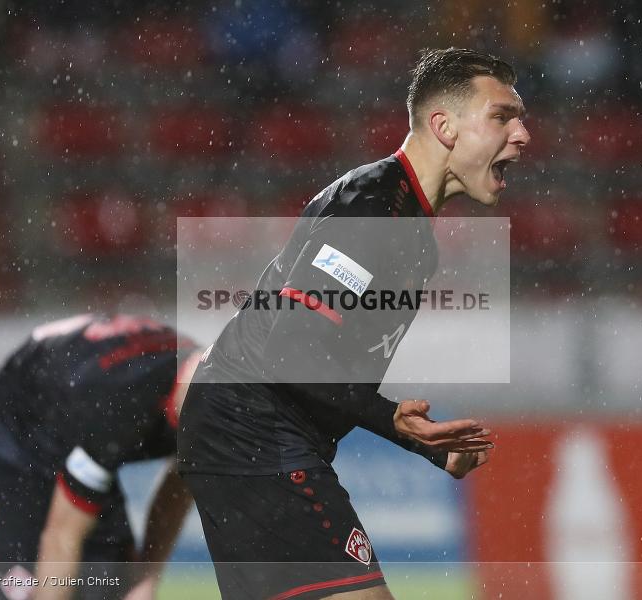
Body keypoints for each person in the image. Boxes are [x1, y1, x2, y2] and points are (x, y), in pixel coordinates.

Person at [178, 47, 530, 599]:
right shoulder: (371, 206)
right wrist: (394, 421)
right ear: (444, 127)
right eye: (503, 116)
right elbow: (292, 351)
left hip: (243, 429)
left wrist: (425, 444)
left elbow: (328, 362)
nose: (522, 134)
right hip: (255, 431)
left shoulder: (410, 232)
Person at [0, 314, 201, 600]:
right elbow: (63, 534)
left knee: (112, 590)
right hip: (8, 444)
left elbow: (185, 474)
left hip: (73, 424)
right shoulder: (119, 406)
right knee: (27, 591)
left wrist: (145, 578)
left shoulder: (216, 398)